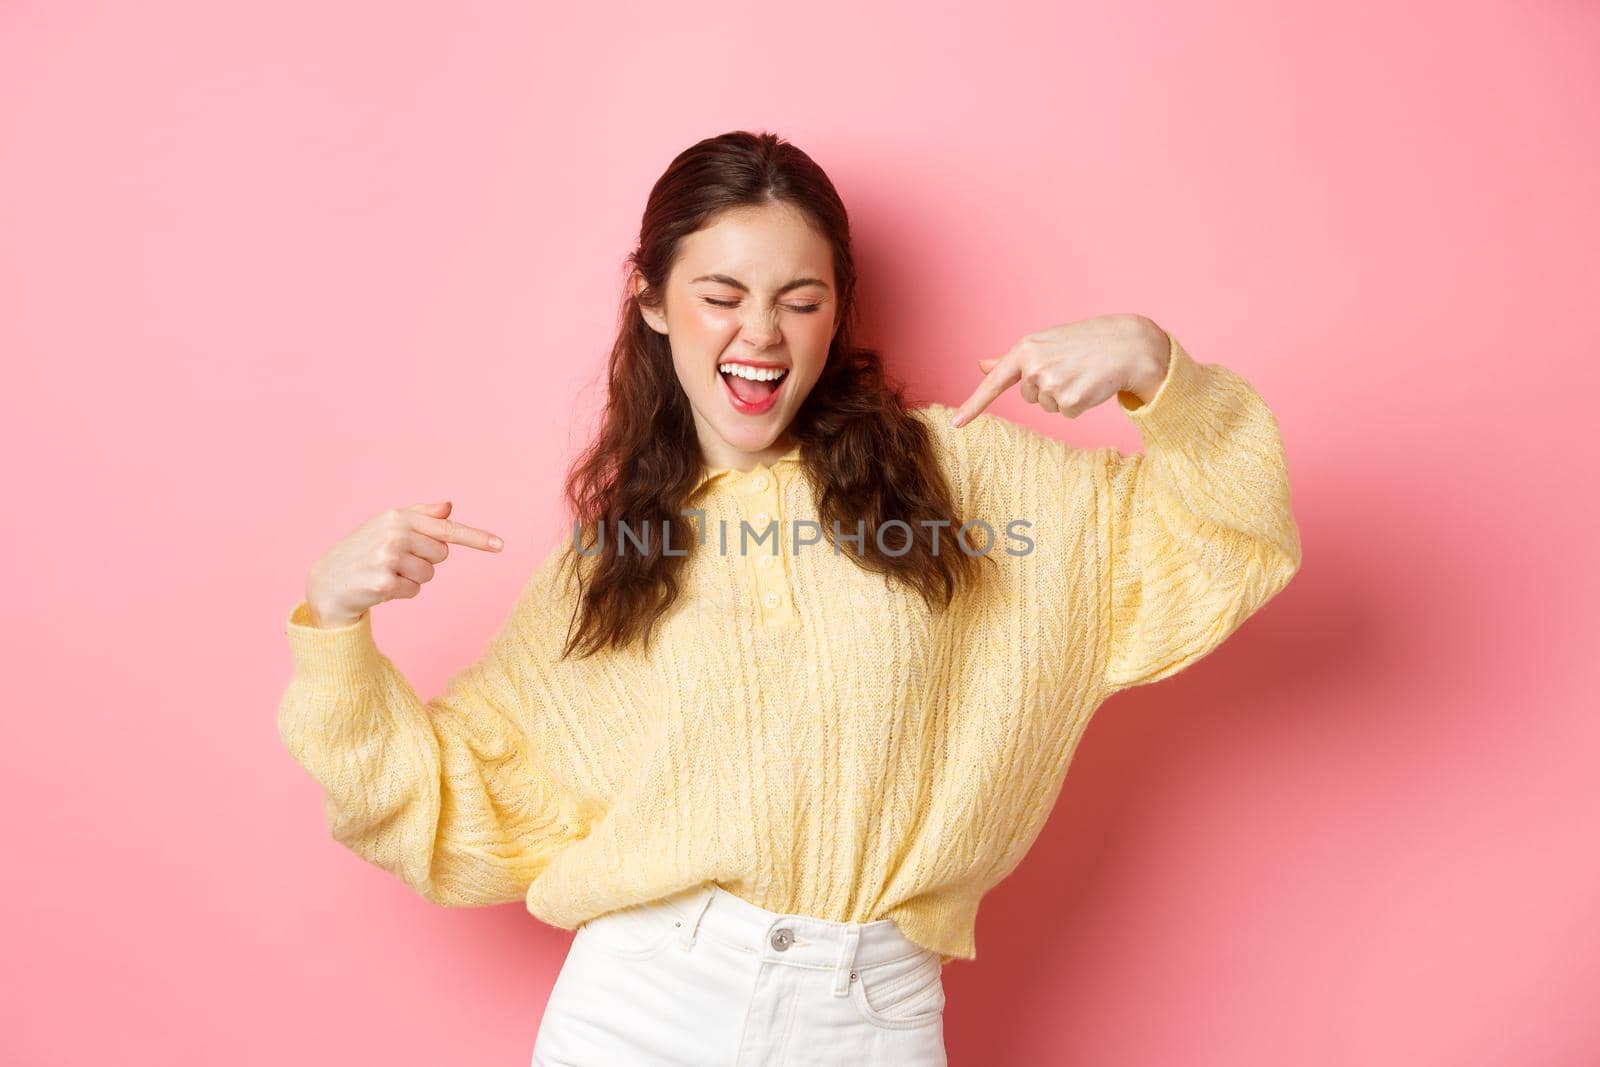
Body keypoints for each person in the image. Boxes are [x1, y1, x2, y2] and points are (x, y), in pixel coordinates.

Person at [276, 129, 1303, 1066]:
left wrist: (1157, 370)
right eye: (721, 292)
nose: (759, 332)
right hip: (640, 1008)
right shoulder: (617, 557)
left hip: (874, 1013)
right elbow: (450, 802)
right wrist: (335, 622)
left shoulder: (971, 480)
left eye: (800, 299)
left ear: (834, 313)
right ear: (650, 301)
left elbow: (1226, 536)